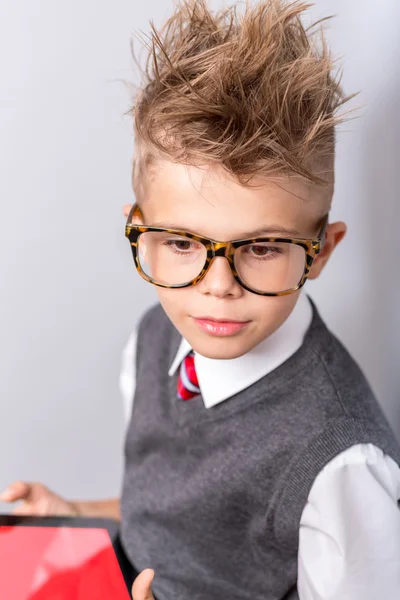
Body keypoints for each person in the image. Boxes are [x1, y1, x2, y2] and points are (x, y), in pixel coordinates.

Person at [2, 1, 400, 598]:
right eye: (184, 243)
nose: (219, 285)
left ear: (319, 250)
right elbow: (181, 520)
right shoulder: (156, 339)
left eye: (263, 247)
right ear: (140, 229)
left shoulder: (341, 462)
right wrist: (78, 512)